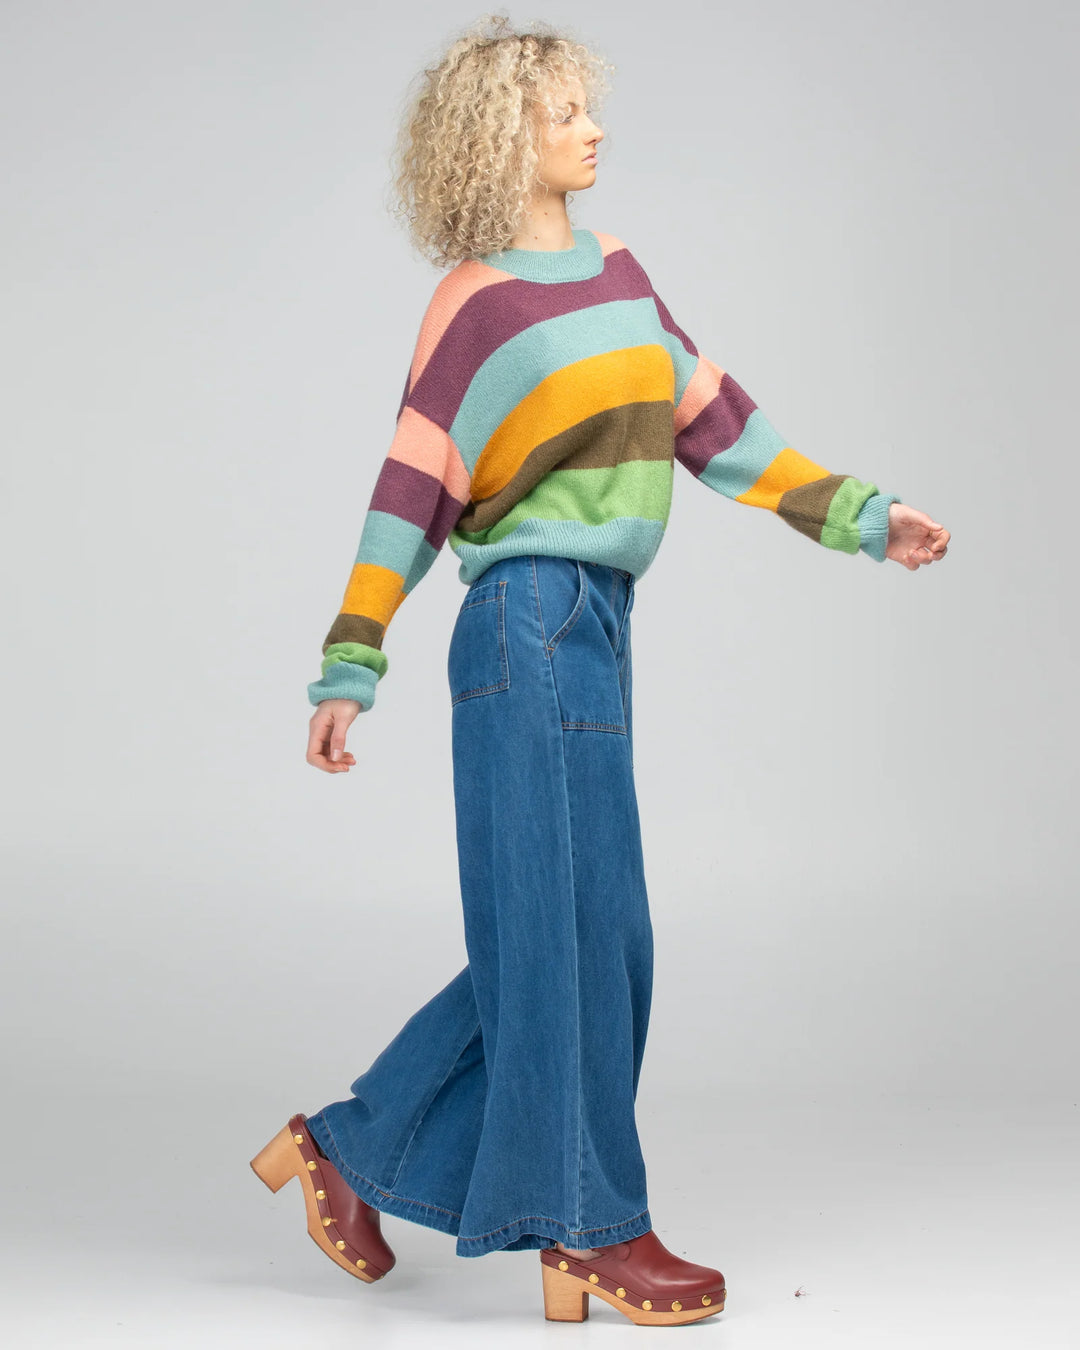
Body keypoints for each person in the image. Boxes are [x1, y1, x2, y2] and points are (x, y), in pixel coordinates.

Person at [249, 14, 950, 1328]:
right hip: (520, 622)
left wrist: (861, 515)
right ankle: (592, 1229)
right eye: (566, 110)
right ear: (501, 135)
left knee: (594, 940)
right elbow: (412, 485)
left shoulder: (620, 272)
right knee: (564, 941)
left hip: (597, 625)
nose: (594, 127)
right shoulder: (472, 303)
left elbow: (714, 417)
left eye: (588, 105)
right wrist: (351, 657)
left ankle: (350, 1144)